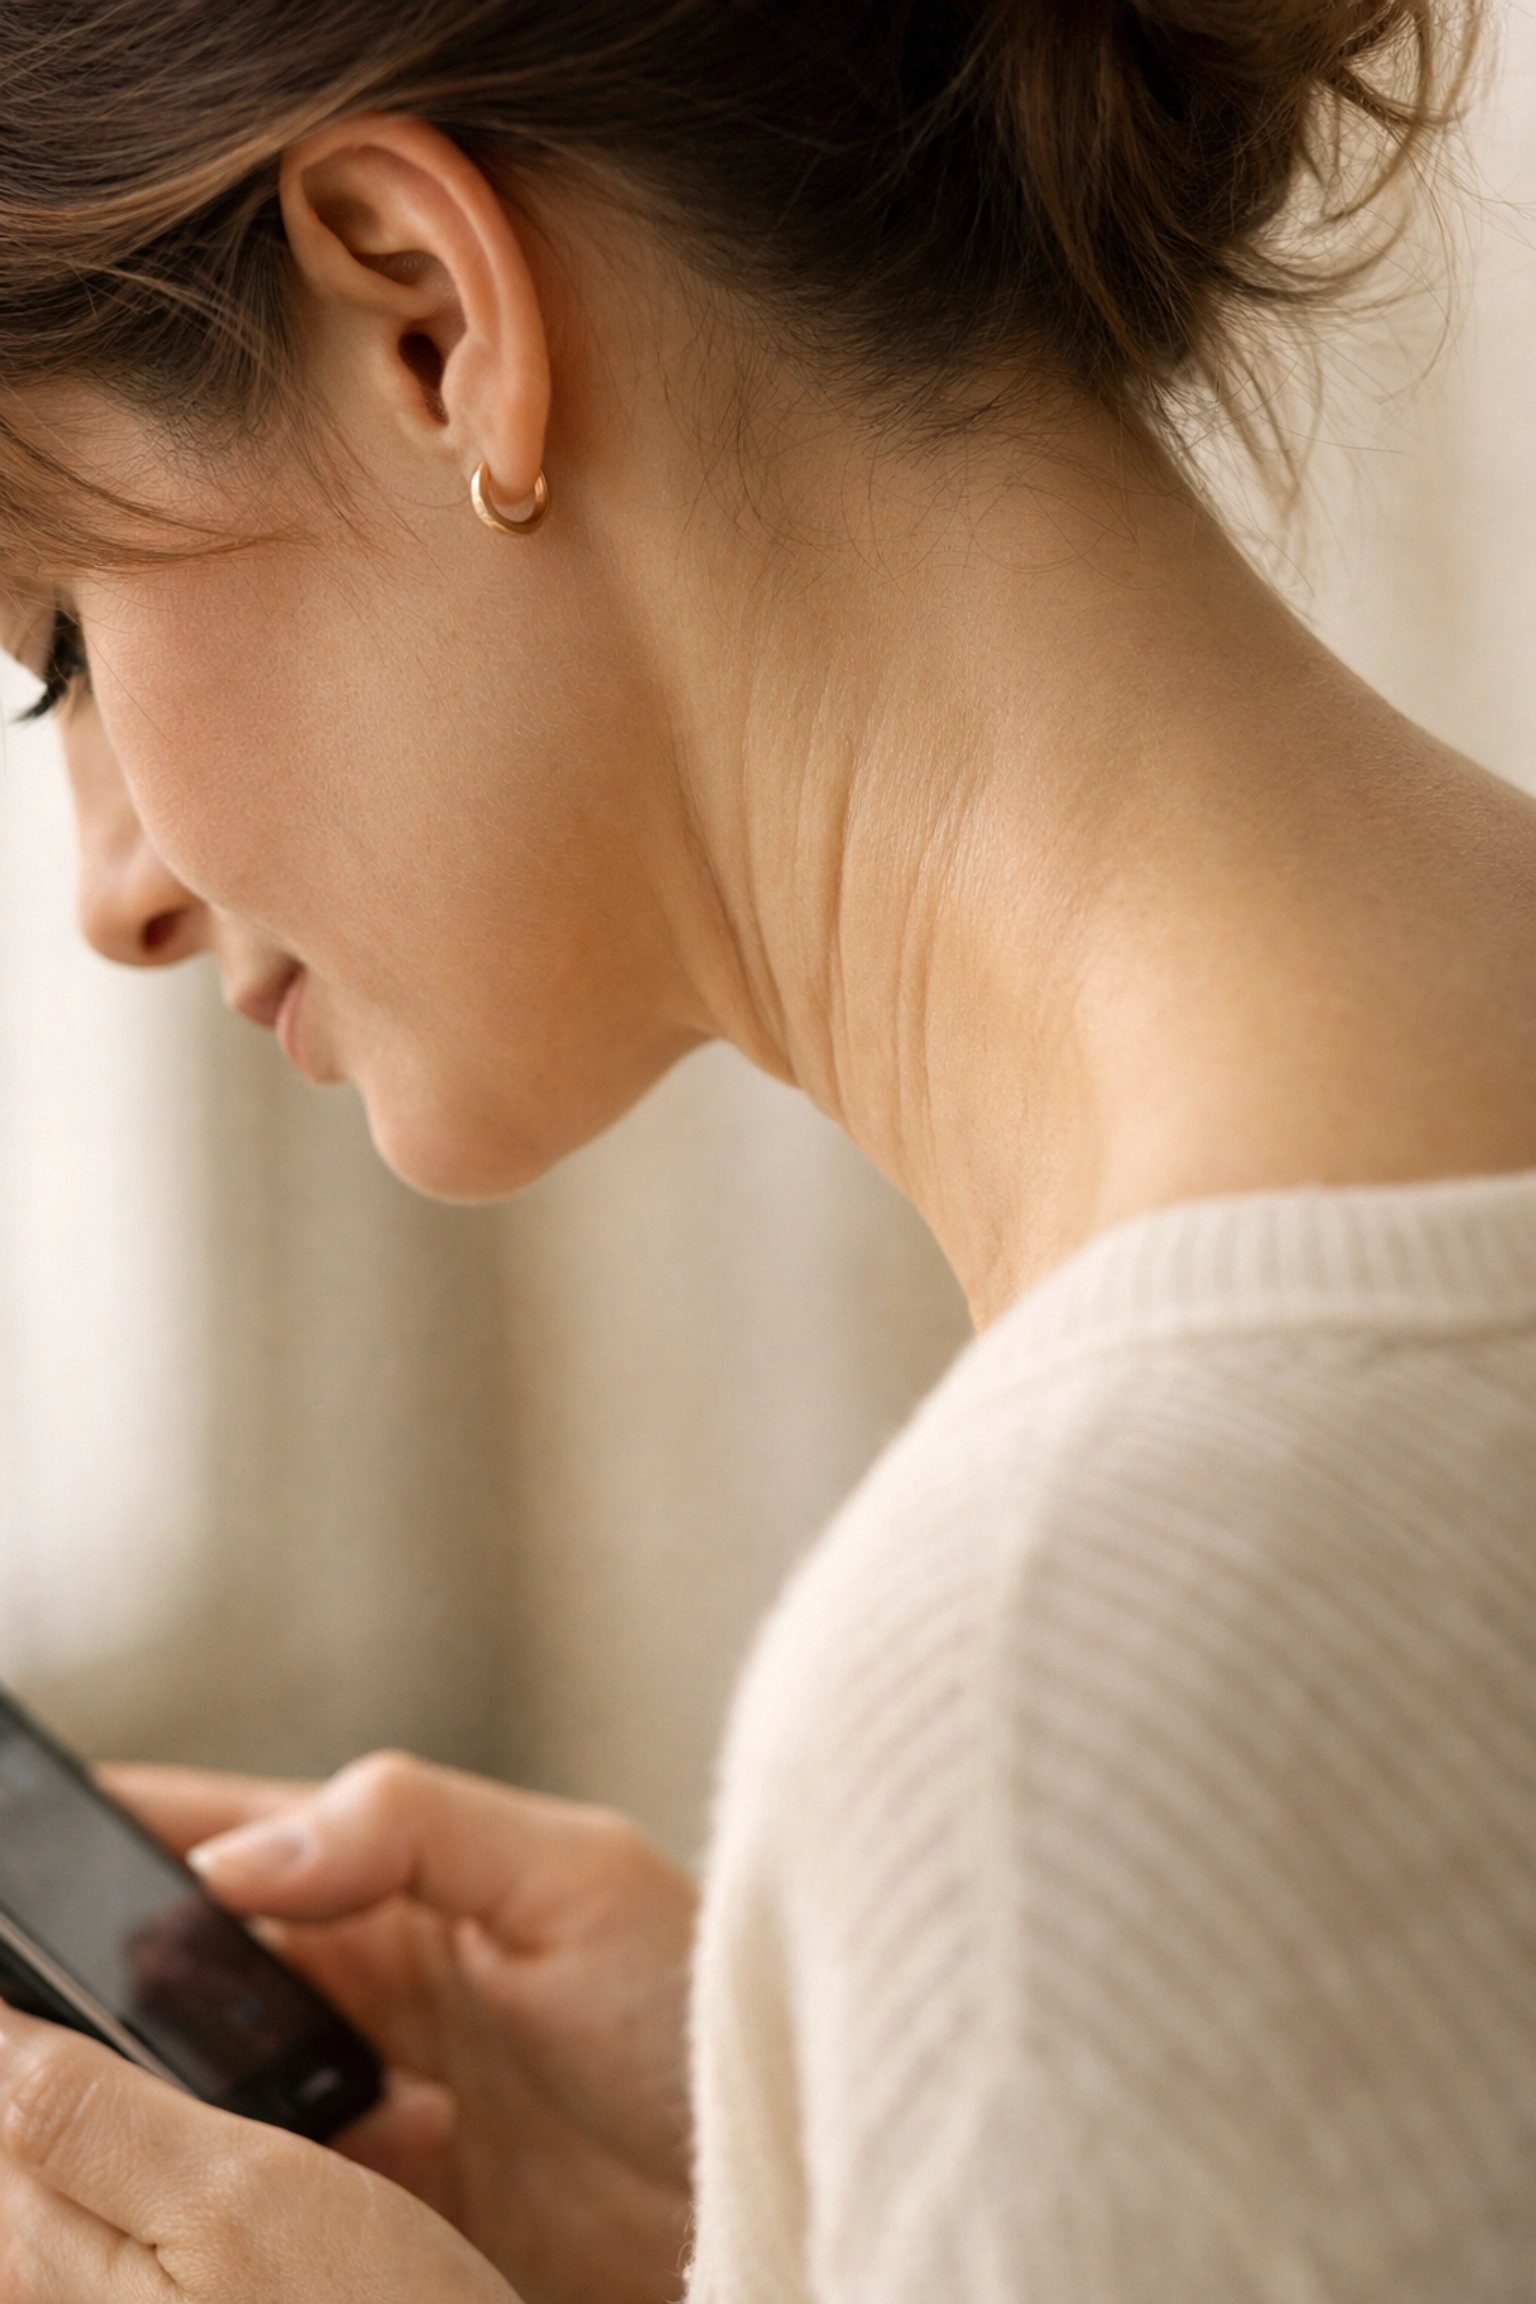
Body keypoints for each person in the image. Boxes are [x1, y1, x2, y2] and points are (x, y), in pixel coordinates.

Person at [1, 1, 1533, 2298]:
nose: (104, 890)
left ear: (430, 319)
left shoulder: (1067, 1670)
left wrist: (987, 1953)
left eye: (62, 643)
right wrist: (842, 2159)